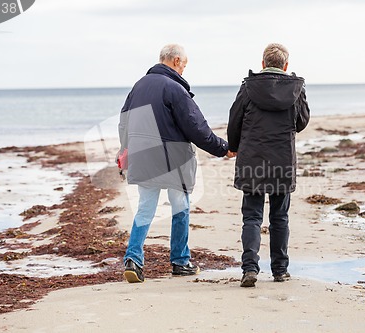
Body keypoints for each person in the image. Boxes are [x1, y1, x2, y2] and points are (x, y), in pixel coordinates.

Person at [117, 44, 233, 283]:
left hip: (143, 159)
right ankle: (180, 261)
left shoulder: (138, 86)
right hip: (173, 161)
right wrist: (222, 148)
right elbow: (196, 128)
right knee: (180, 208)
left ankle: (133, 259)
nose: (184, 70)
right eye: (184, 65)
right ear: (176, 60)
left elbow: (123, 124)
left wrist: (127, 149)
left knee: (145, 209)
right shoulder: (174, 88)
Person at [227, 43, 310, 287]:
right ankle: (280, 270)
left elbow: (235, 120)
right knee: (279, 217)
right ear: (285, 66)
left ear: (263, 64)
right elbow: (302, 121)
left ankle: (250, 269)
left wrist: (233, 145)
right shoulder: (296, 89)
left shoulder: (248, 87)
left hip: (253, 158)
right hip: (282, 159)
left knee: (251, 217)